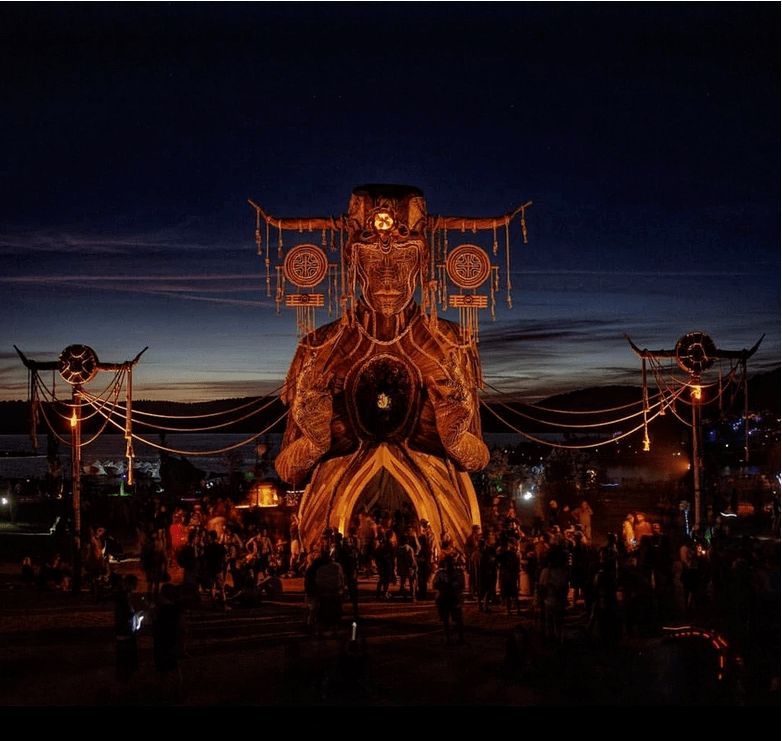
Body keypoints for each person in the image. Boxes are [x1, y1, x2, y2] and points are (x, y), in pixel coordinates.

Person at [433, 555, 465, 645]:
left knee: (458, 619)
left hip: (454, 598)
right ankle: (448, 638)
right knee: (445, 620)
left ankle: (460, 638)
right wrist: (444, 586)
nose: (449, 565)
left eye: (450, 563)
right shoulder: (440, 573)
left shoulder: (458, 573)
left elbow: (462, 586)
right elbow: (435, 585)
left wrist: (452, 586)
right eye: (447, 563)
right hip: (444, 599)